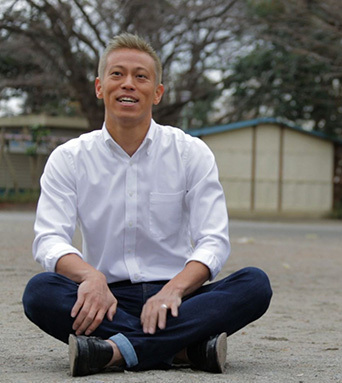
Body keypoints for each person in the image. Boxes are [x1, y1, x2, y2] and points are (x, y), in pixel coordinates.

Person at [22, 33, 272, 376]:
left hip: (178, 300)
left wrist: (173, 290)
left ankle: (113, 351)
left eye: (141, 76)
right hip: (106, 299)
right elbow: (49, 239)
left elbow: (213, 241)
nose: (128, 84)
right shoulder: (69, 158)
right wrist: (90, 277)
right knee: (40, 292)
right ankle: (184, 349)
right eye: (117, 74)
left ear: (157, 92)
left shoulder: (190, 153)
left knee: (254, 285)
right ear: (99, 86)